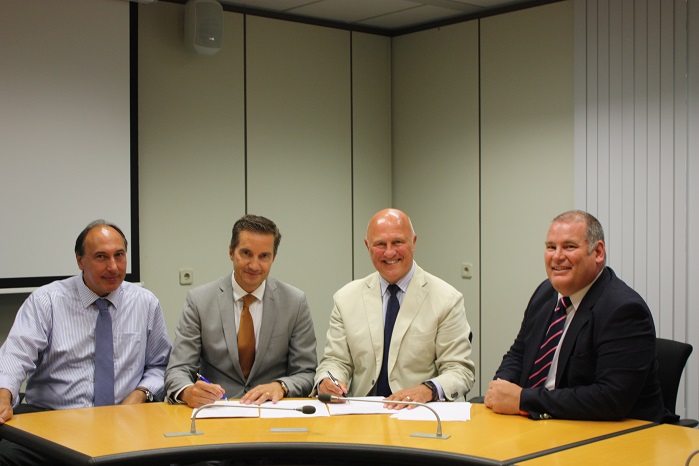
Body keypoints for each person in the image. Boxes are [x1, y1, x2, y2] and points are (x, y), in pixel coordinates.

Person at [0, 219, 172, 464]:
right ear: (80, 260)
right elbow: (15, 356)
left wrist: (140, 394)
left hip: (125, 423)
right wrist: (3, 395)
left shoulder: (145, 303)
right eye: (101, 257)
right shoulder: (47, 300)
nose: (113, 266)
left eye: (119, 255)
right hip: (53, 424)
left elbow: (160, 364)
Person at [485, 210, 673, 422]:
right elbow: (519, 353)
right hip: (545, 425)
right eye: (550, 247)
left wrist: (523, 400)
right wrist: (502, 387)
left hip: (614, 437)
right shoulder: (545, 293)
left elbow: (610, 399)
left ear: (598, 252)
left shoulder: (624, 310)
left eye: (569, 246)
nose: (557, 256)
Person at [314, 208, 475, 408]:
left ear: (413, 242)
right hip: (361, 416)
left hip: (419, 413)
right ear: (367, 246)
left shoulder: (447, 299)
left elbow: (460, 370)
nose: (389, 252)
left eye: (397, 242)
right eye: (380, 244)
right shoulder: (345, 299)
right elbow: (335, 361)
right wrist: (329, 381)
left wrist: (427, 390)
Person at [165, 214, 317, 407]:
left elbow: (307, 372)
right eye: (246, 253)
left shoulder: (295, 302)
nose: (254, 265)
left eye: (264, 256)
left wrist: (281, 386)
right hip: (217, 411)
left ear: (274, 257)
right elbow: (178, 369)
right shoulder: (199, 301)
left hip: (273, 413)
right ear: (231, 252)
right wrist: (187, 392)